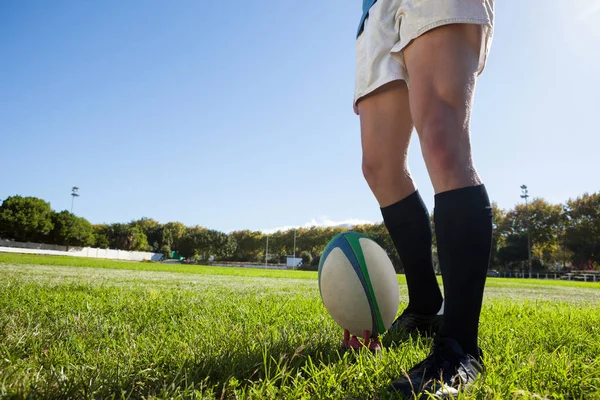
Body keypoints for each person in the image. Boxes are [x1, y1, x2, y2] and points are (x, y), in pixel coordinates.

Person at [353, 0, 494, 396]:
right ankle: (425, 304)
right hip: (373, 12)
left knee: (441, 136)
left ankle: (460, 346)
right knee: (379, 168)